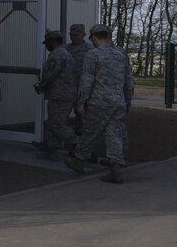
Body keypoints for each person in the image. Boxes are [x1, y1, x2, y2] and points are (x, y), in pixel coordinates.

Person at [67, 24, 134, 182]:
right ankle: (115, 168)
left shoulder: (93, 54)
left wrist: (81, 101)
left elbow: (86, 81)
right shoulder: (121, 54)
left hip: (99, 102)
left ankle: (79, 161)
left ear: (94, 37)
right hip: (118, 102)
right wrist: (128, 100)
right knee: (114, 134)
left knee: (90, 132)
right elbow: (129, 81)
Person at [35, 30, 77, 154]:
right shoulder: (66, 53)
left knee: (57, 126)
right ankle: (52, 150)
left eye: (47, 43)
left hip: (60, 96)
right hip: (65, 94)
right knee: (54, 123)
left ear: (52, 42)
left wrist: (40, 86)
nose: (46, 46)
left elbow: (50, 75)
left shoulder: (56, 55)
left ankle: (82, 145)